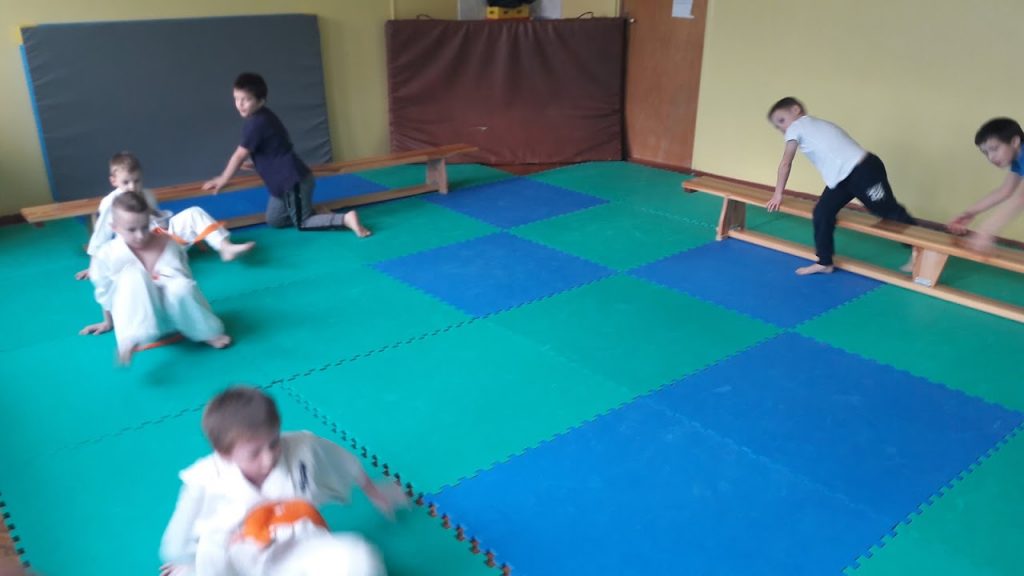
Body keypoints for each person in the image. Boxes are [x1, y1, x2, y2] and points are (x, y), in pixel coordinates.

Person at [159, 386, 404, 576]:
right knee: (210, 553)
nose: (268, 458)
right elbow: (176, 542)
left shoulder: (302, 448)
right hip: (240, 561)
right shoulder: (204, 480)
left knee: (360, 555)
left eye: (274, 442)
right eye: (254, 453)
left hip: (299, 548)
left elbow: (340, 461)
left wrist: (373, 490)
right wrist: (190, 562)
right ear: (225, 454)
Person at [202, 72, 371, 236]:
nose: (240, 104)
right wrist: (256, 164)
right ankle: (317, 212)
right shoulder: (264, 117)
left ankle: (346, 219)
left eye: (246, 99)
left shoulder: (256, 123)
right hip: (282, 184)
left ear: (261, 101)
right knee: (275, 220)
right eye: (236, 98)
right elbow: (276, 149)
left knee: (303, 223)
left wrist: (223, 179)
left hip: (294, 182)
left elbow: (238, 156)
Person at [766, 97, 916, 275]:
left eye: (782, 120)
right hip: (840, 179)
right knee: (822, 213)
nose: (782, 128)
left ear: (796, 110)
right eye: (777, 126)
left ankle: (919, 250)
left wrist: (778, 194)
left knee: (887, 211)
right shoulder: (816, 125)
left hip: (863, 171)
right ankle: (824, 262)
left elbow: (785, 163)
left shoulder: (797, 126)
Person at [79, 191, 230, 365]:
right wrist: (107, 322)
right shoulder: (107, 255)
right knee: (133, 275)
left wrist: (163, 281)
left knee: (180, 286)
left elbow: (186, 281)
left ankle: (205, 332)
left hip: (177, 314)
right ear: (115, 228)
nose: (140, 235)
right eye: (131, 230)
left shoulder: (167, 242)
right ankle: (131, 339)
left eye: (144, 227)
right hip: (137, 319)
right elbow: (105, 292)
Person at [76, 152, 253, 280]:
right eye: (126, 182)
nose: (132, 187)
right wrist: (94, 266)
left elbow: (158, 220)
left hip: (164, 238)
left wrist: (188, 234)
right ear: (113, 181)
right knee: (163, 272)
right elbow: (101, 235)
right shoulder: (110, 203)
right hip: (139, 248)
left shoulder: (147, 194)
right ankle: (163, 268)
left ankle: (224, 247)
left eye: (137, 180)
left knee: (194, 212)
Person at [947, 117, 1024, 251]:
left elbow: (1021, 198)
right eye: (986, 152)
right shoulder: (1018, 159)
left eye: (994, 149)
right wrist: (969, 213)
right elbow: (1004, 191)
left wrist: (987, 230)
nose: (991, 157)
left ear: (1015, 141)